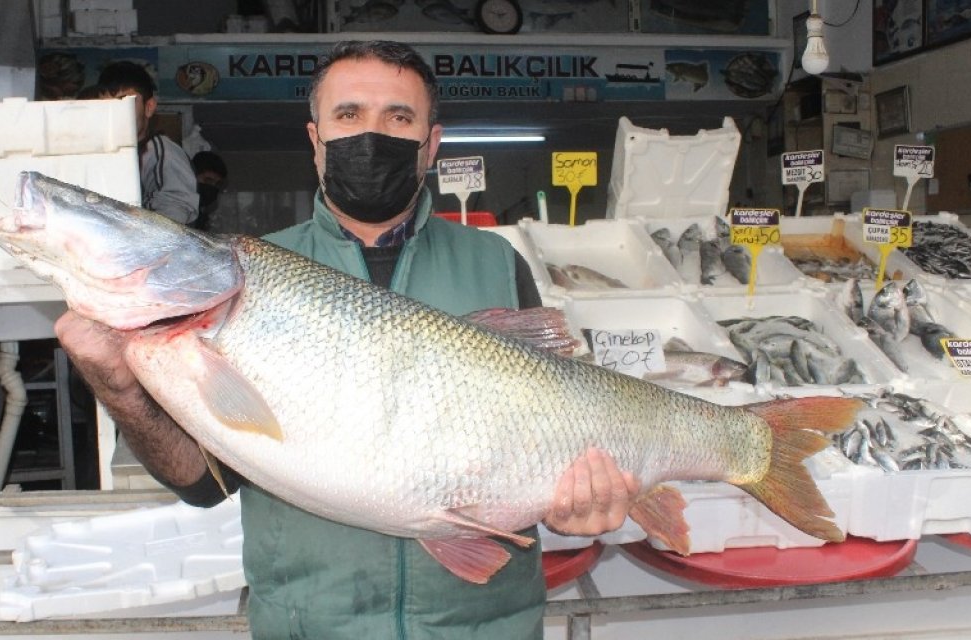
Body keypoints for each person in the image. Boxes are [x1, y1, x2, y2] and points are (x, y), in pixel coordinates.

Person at [56, 40, 637, 639]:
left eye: (399, 117)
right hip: (312, 626)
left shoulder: (496, 261)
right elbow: (202, 483)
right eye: (349, 114)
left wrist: (579, 499)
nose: (372, 134)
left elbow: (556, 430)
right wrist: (117, 384)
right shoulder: (251, 277)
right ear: (316, 139)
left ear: (431, 143)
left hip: (486, 627)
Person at [97, 60, 200, 226]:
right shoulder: (101, 154)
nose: (115, 112)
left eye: (124, 102)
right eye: (107, 105)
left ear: (149, 107)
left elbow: (175, 210)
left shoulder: (161, 152)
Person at [190, 150, 228, 231]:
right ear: (192, 177)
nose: (212, 187)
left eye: (217, 184)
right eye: (208, 181)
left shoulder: (202, 217)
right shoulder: (178, 207)